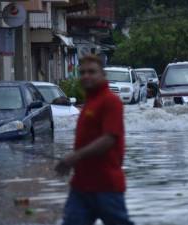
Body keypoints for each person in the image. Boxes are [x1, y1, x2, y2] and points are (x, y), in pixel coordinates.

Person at [55, 54, 134, 225]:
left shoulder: (110, 101)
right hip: (81, 185)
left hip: (106, 186)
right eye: (82, 72)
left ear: (103, 75)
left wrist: (74, 157)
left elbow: (109, 139)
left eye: (92, 72)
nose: (86, 76)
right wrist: (71, 160)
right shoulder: (88, 103)